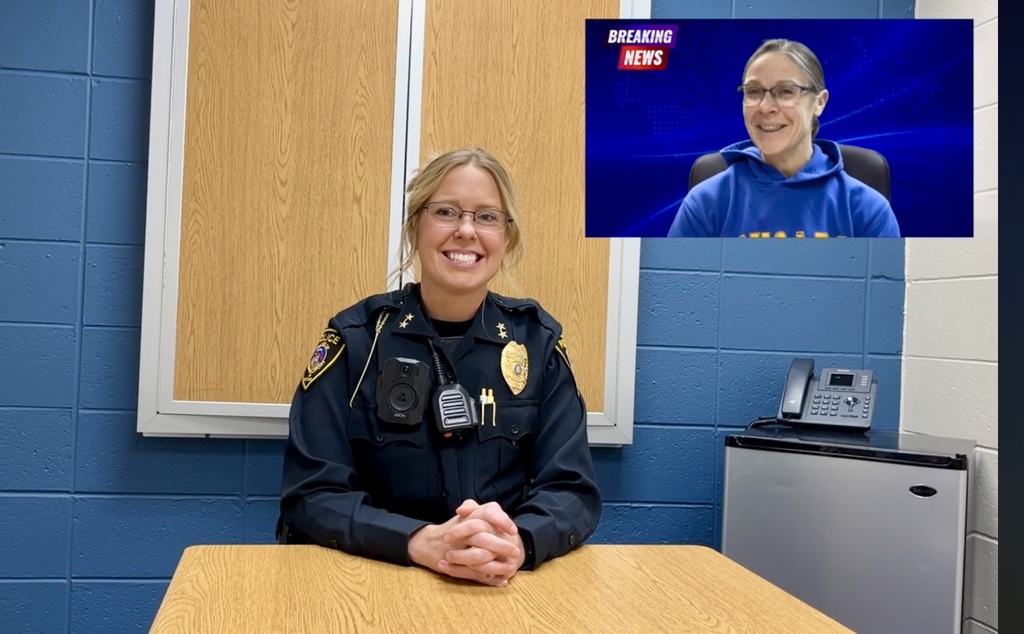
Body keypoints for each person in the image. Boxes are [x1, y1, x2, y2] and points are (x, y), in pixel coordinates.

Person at [276, 147, 602, 587]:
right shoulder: (357, 339)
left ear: (507, 236)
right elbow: (311, 495)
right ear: (416, 225)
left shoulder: (537, 343)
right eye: (446, 211)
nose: (466, 231)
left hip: (498, 584)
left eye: (487, 217)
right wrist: (419, 541)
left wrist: (518, 543)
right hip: (373, 580)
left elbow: (572, 491)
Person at [667, 39, 901, 238]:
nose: (766, 107)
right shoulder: (706, 202)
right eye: (754, 91)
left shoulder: (867, 210)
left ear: (819, 102)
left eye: (786, 91)